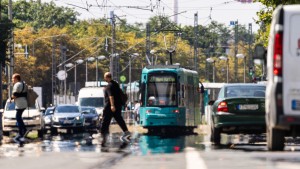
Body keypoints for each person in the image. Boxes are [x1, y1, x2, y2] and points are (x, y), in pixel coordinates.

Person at [101, 72, 131, 148]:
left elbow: (111, 96)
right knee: (119, 118)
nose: (104, 79)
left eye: (105, 77)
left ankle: (102, 135)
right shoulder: (116, 84)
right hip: (118, 105)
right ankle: (126, 131)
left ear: (106, 77)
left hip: (110, 106)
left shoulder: (109, 86)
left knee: (105, 121)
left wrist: (112, 105)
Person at [11, 73, 28, 143]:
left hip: (20, 104)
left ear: (16, 78)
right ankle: (21, 130)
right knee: (19, 117)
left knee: (18, 117)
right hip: (24, 102)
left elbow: (15, 95)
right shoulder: (23, 84)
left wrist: (11, 98)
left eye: (13, 78)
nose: (12, 80)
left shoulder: (17, 84)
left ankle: (22, 131)